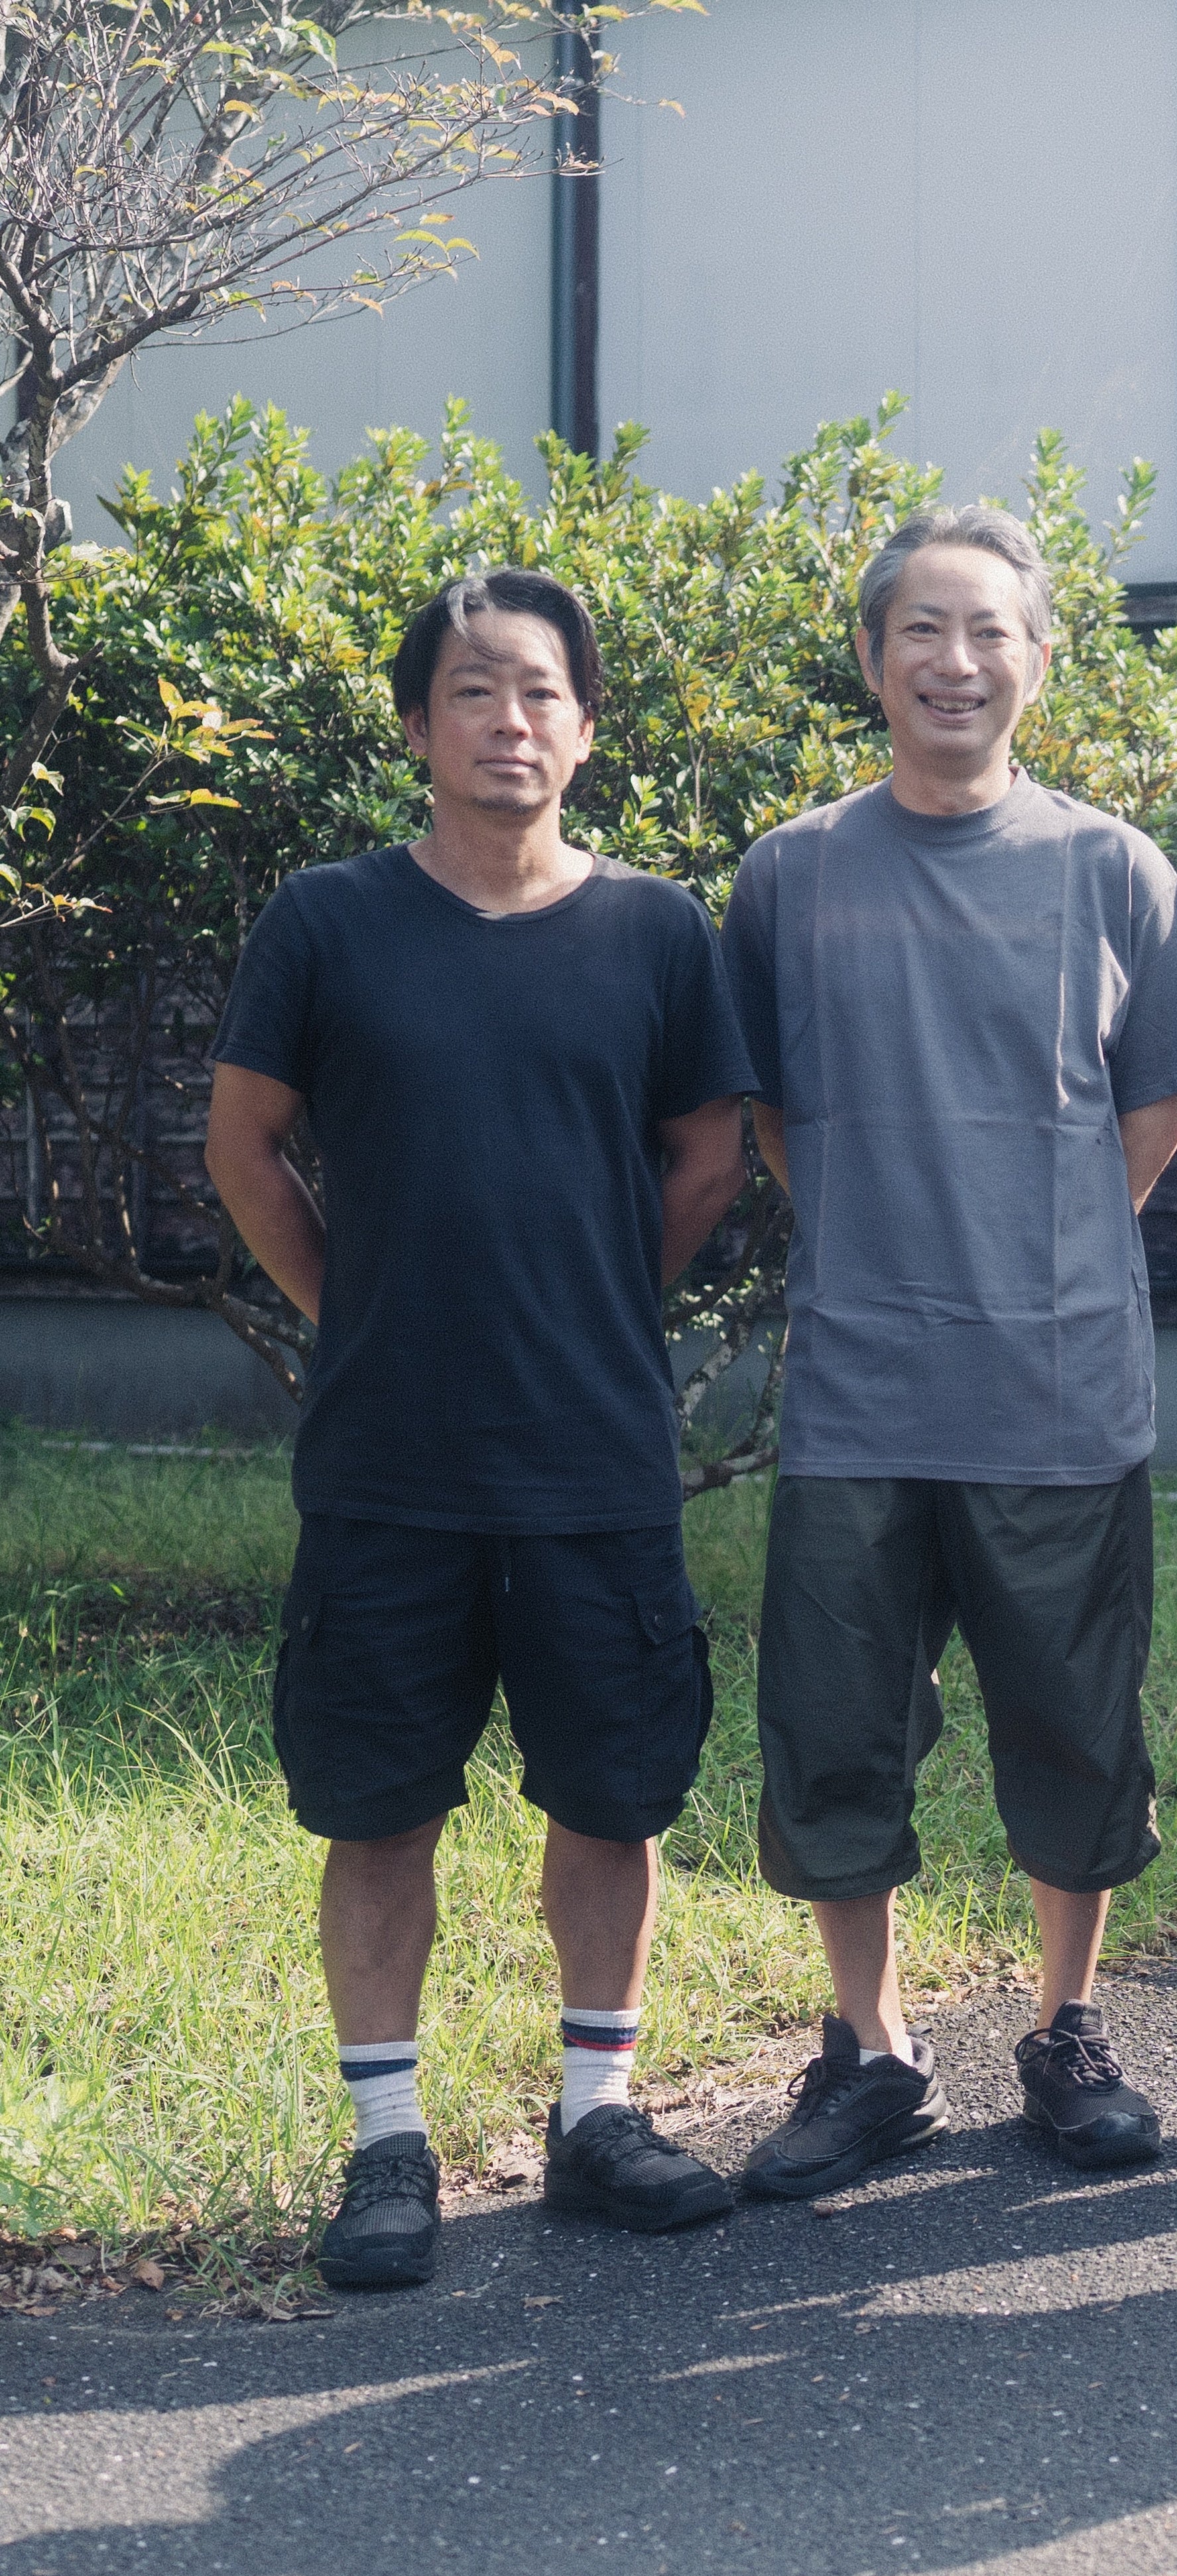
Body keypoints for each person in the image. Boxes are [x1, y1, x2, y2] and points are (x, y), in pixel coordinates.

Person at [204, 569, 759, 2290]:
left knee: (613, 1793)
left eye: (539, 693)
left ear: (584, 728)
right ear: (416, 724)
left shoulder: (658, 931)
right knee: (378, 1809)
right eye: (472, 691)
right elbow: (244, 1147)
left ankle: (600, 2113)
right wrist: (355, 1308)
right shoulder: (328, 921)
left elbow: (709, 1155)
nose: (508, 721)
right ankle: (389, 2144)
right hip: (391, 1460)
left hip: (592, 1451)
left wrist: (590, 1294)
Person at [719, 506, 1177, 2192]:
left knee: (1075, 1725)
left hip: (1057, 1388)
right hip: (858, 1389)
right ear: (873, 659)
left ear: (1039, 659)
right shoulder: (792, 874)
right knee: (834, 1729)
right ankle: (871, 2054)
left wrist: (1034, 1249)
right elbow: (775, 1117)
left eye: (989, 630)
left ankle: (1067, 2030)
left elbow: (1149, 1125)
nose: (956, 661)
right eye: (922, 631)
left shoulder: (1113, 870)